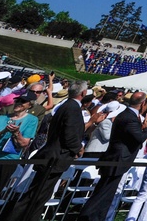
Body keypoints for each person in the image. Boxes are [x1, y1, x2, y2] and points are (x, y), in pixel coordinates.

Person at [6, 81, 87, 221]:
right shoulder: (72, 108)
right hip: (55, 157)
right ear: (83, 93)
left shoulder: (67, 106)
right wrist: (77, 149)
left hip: (54, 156)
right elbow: (70, 135)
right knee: (35, 196)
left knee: (40, 197)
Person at [79, 92, 147, 221]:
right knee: (103, 194)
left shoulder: (128, 115)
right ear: (143, 104)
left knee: (105, 194)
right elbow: (140, 138)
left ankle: (96, 217)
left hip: (117, 159)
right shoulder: (130, 117)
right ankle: (88, 217)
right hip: (117, 159)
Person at [0, 91, 38, 193]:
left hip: (7, 160)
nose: (19, 103)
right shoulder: (1, 118)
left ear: (30, 104)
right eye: (18, 100)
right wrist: (4, 131)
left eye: (23, 101)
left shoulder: (32, 120)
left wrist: (17, 133)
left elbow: (24, 143)